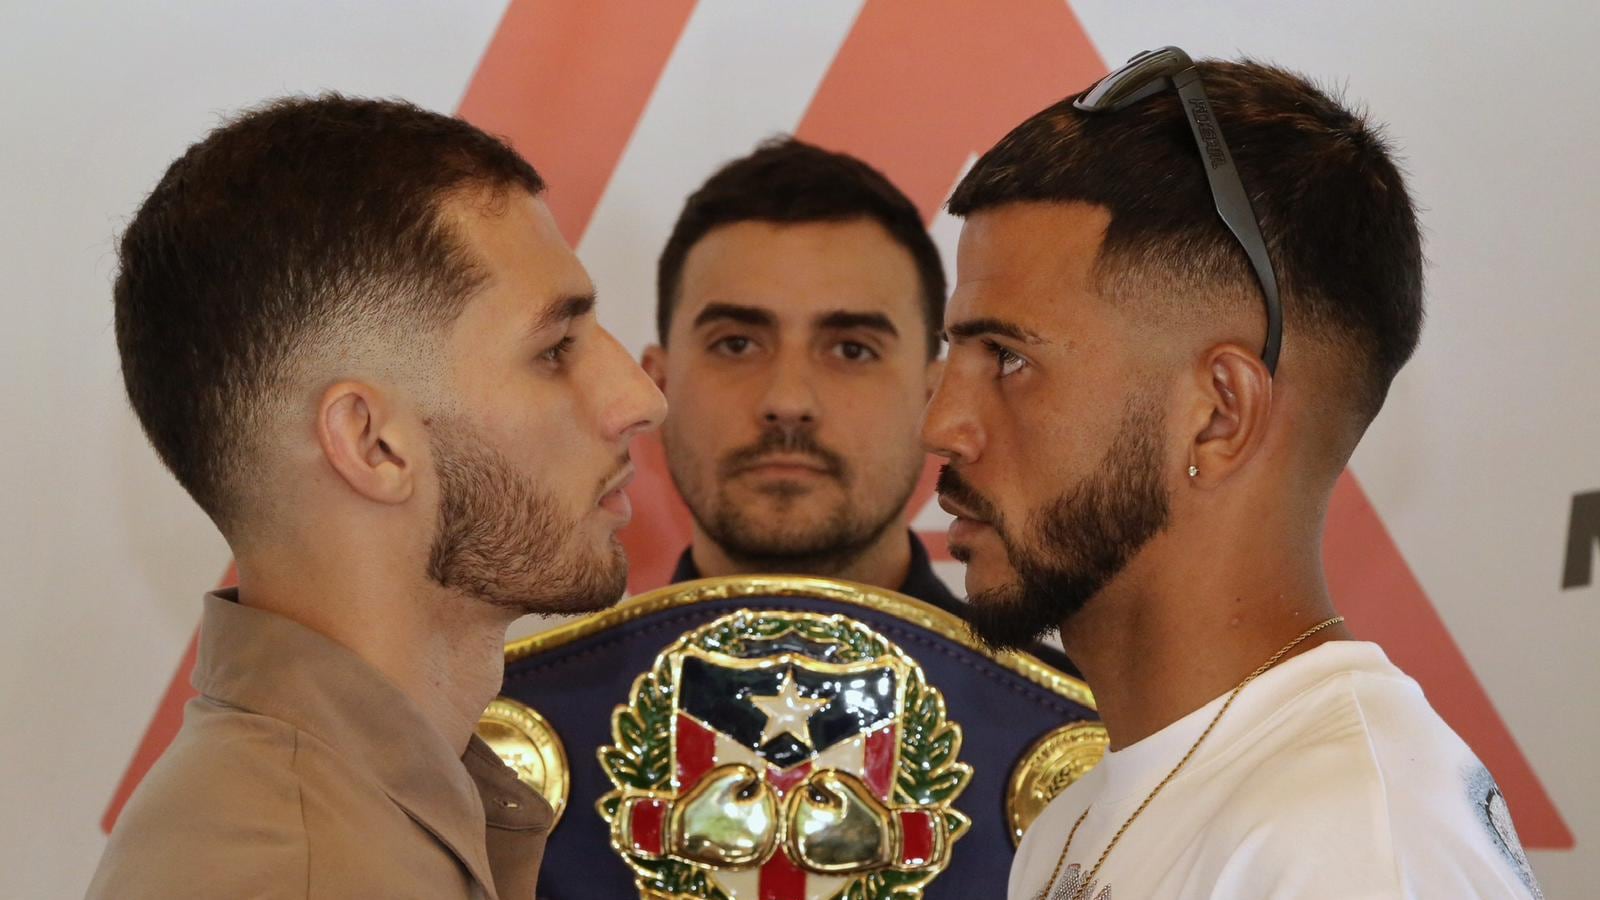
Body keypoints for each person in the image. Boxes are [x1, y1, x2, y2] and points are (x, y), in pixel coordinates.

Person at [923, 51, 1544, 899]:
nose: (941, 426)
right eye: (953, 352)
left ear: (1219, 412)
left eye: (1007, 358)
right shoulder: (1081, 821)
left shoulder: (1351, 845)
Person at [88, 95, 666, 899]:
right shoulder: (303, 870)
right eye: (555, 349)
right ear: (372, 444)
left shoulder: (350, 820)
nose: (638, 397)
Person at [644, 137, 1076, 674]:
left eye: (852, 350)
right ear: (656, 386)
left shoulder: (1074, 739)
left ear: (935, 395)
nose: (788, 402)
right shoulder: (528, 736)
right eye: (736, 345)